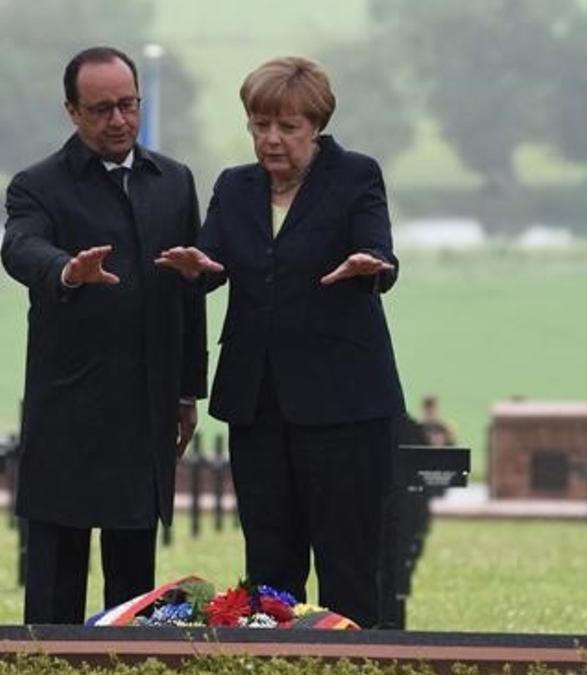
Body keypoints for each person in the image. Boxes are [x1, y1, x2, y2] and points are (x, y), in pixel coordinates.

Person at [155, 56, 406, 628]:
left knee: (349, 562)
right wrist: (196, 266)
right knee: (269, 565)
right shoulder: (235, 187)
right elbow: (214, 261)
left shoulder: (356, 176)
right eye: (259, 125)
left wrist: (372, 266)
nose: (271, 140)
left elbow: (380, 253)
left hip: (345, 405)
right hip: (257, 403)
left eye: (286, 127)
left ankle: (355, 666)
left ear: (315, 125)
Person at [0, 46, 207, 625]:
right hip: (68, 412)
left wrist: (187, 392)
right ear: (72, 111)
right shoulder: (37, 185)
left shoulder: (174, 181)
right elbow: (20, 248)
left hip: (145, 414)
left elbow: (188, 295)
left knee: (133, 598)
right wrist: (68, 270)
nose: (118, 120)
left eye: (127, 104)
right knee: (55, 595)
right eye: (101, 109)